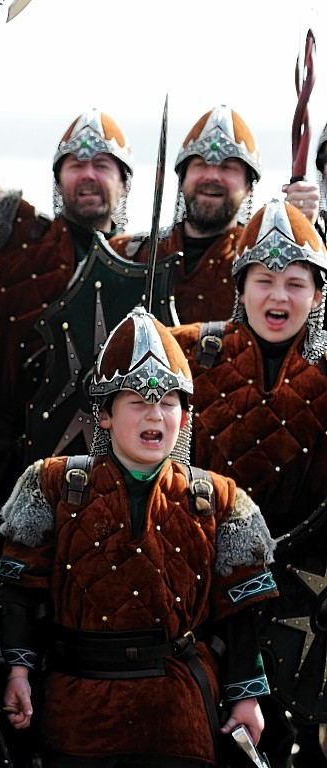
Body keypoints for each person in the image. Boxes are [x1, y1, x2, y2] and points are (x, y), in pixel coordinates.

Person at [0, 307, 276, 766]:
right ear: (104, 415)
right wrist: (19, 671)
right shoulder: (50, 484)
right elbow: (19, 595)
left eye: (168, 402)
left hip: (178, 715)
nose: (156, 415)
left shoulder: (220, 498)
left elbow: (240, 617)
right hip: (75, 711)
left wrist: (247, 697)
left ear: (184, 418)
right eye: (138, 402)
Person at [170, 198, 327, 767]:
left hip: (310, 606)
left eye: (294, 282)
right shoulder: (188, 353)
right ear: (240, 286)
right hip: (207, 604)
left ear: (317, 293)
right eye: (264, 280)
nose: (278, 297)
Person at [0, 109, 136, 549]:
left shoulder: (144, 263)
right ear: (59, 179)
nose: (89, 175)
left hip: (111, 480)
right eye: (76, 164)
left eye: (102, 165)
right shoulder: (17, 236)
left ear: (124, 181)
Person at [111, 107, 318, 323]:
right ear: (183, 178)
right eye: (201, 164)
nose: (212, 176)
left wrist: (302, 237)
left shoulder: (263, 263)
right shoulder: (127, 253)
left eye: (228, 168)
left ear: (248, 186)